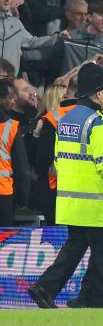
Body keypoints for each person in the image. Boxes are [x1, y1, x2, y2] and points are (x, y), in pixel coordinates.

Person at [27, 63, 103, 308]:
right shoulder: (99, 123)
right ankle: (96, 298)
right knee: (101, 254)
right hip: (95, 204)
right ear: (97, 92)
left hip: (71, 202)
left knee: (74, 250)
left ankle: (45, 288)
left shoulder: (67, 119)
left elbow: (58, 160)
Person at [34, 84, 75, 226]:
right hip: (58, 185)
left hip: (55, 185)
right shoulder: (45, 121)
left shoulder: (50, 120)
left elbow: (41, 160)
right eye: (63, 97)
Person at [0, 79, 30, 226]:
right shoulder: (10, 127)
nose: (12, 102)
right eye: (9, 97)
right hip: (3, 194)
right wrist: (22, 200)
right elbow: (23, 170)